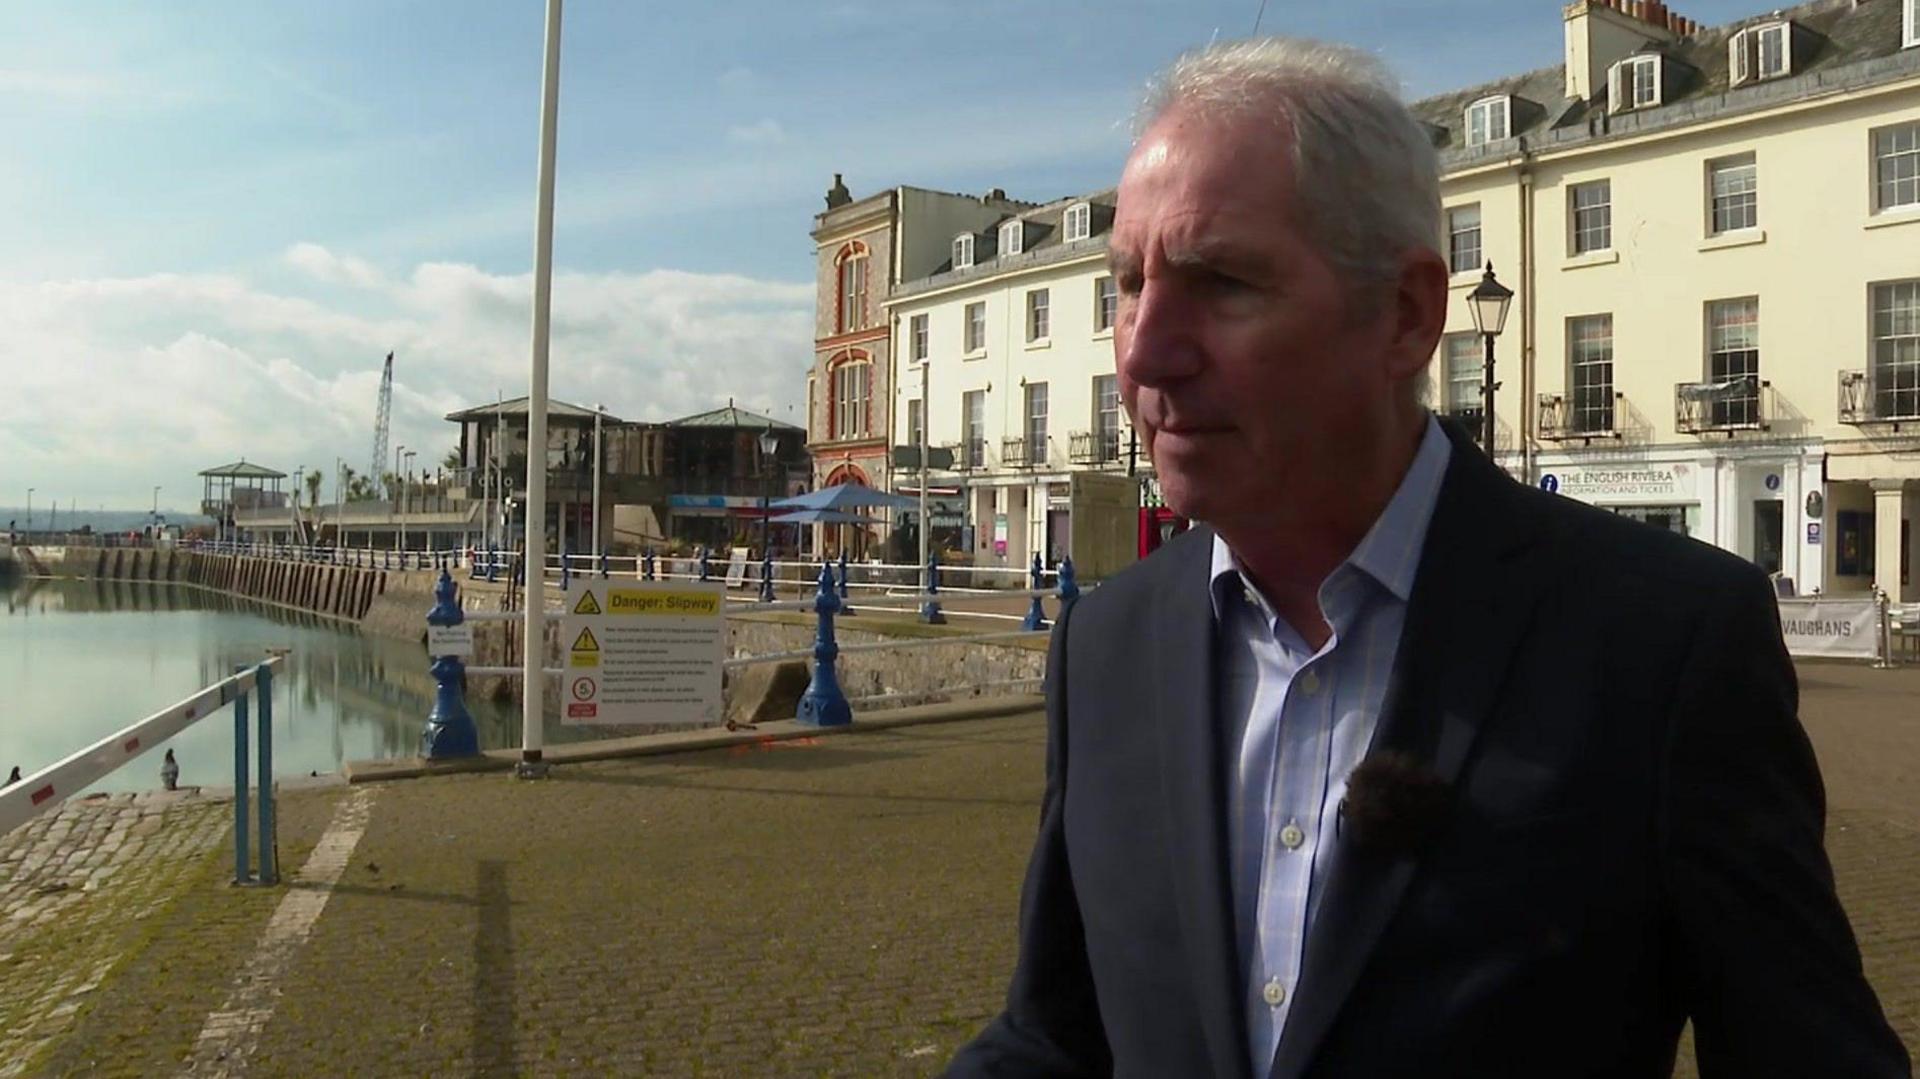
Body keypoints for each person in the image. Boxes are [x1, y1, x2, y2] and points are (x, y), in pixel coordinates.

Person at [946, 37, 1907, 1079]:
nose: (1141, 349)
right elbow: (1056, 1031)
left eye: (1220, 281)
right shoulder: (1106, 643)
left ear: (1406, 314)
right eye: (1129, 282)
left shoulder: (1663, 642)